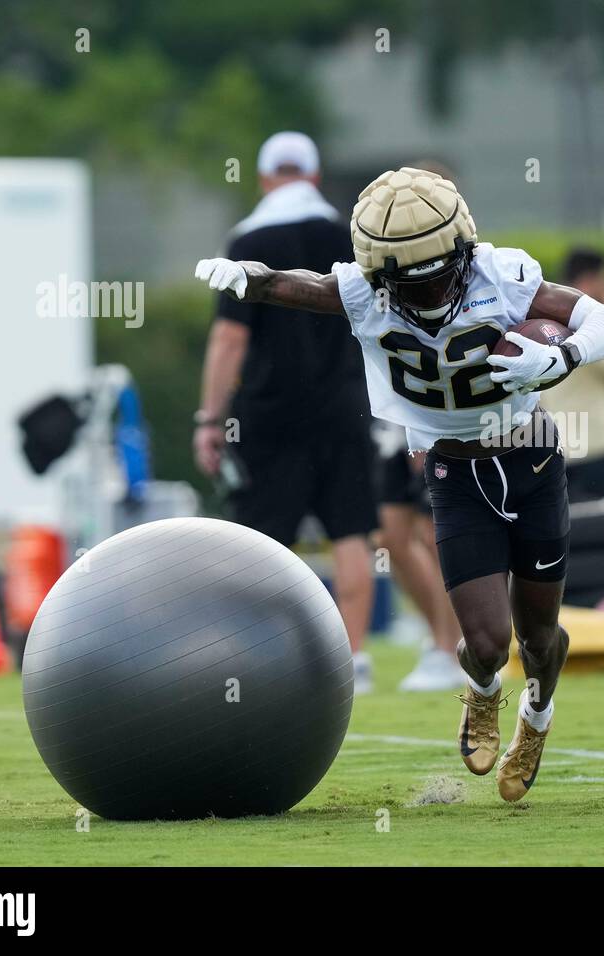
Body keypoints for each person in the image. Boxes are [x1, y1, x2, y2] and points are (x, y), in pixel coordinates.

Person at [194, 167, 604, 801]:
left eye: (436, 274)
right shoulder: (364, 291)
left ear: (462, 249)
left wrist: (558, 356)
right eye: (407, 280)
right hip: (454, 470)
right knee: (483, 643)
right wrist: (249, 280)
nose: (424, 292)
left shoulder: (499, 274)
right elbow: (300, 287)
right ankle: (482, 695)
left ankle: (537, 717)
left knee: (538, 637)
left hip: (531, 458)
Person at [193, 131, 377, 694]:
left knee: (262, 543)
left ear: (265, 177)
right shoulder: (349, 235)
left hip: (272, 414)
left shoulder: (250, 237)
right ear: (315, 176)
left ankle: (255, 655)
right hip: (346, 407)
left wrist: (209, 418)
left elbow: (230, 338)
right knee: (351, 532)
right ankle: (354, 658)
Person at [537, 248, 604, 501]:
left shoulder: (547, 318)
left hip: (556, 448)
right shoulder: (592, 328)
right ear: (589, 281)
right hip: (594, 453)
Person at [374, 421, 467, 691]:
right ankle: (445, 639)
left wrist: (421, 429)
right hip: (391, 428)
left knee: (434, 537)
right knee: (388, 539)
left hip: (430, 421)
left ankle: (447, 650)